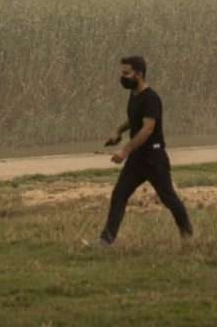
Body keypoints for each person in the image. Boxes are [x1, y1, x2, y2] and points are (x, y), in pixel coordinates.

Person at [83, 56, 194, 247]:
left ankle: (188, 236)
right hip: (137, 159)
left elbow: (147, 128)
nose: (123, 77)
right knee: (119, 195)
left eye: (126, 73)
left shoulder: (151, 98)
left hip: (154, 157)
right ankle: (106, 239)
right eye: (122, 73)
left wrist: (125, 150)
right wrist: (118, 131)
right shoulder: (134, 95)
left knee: (168, 197)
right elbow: (133, 119)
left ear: (139, 74)